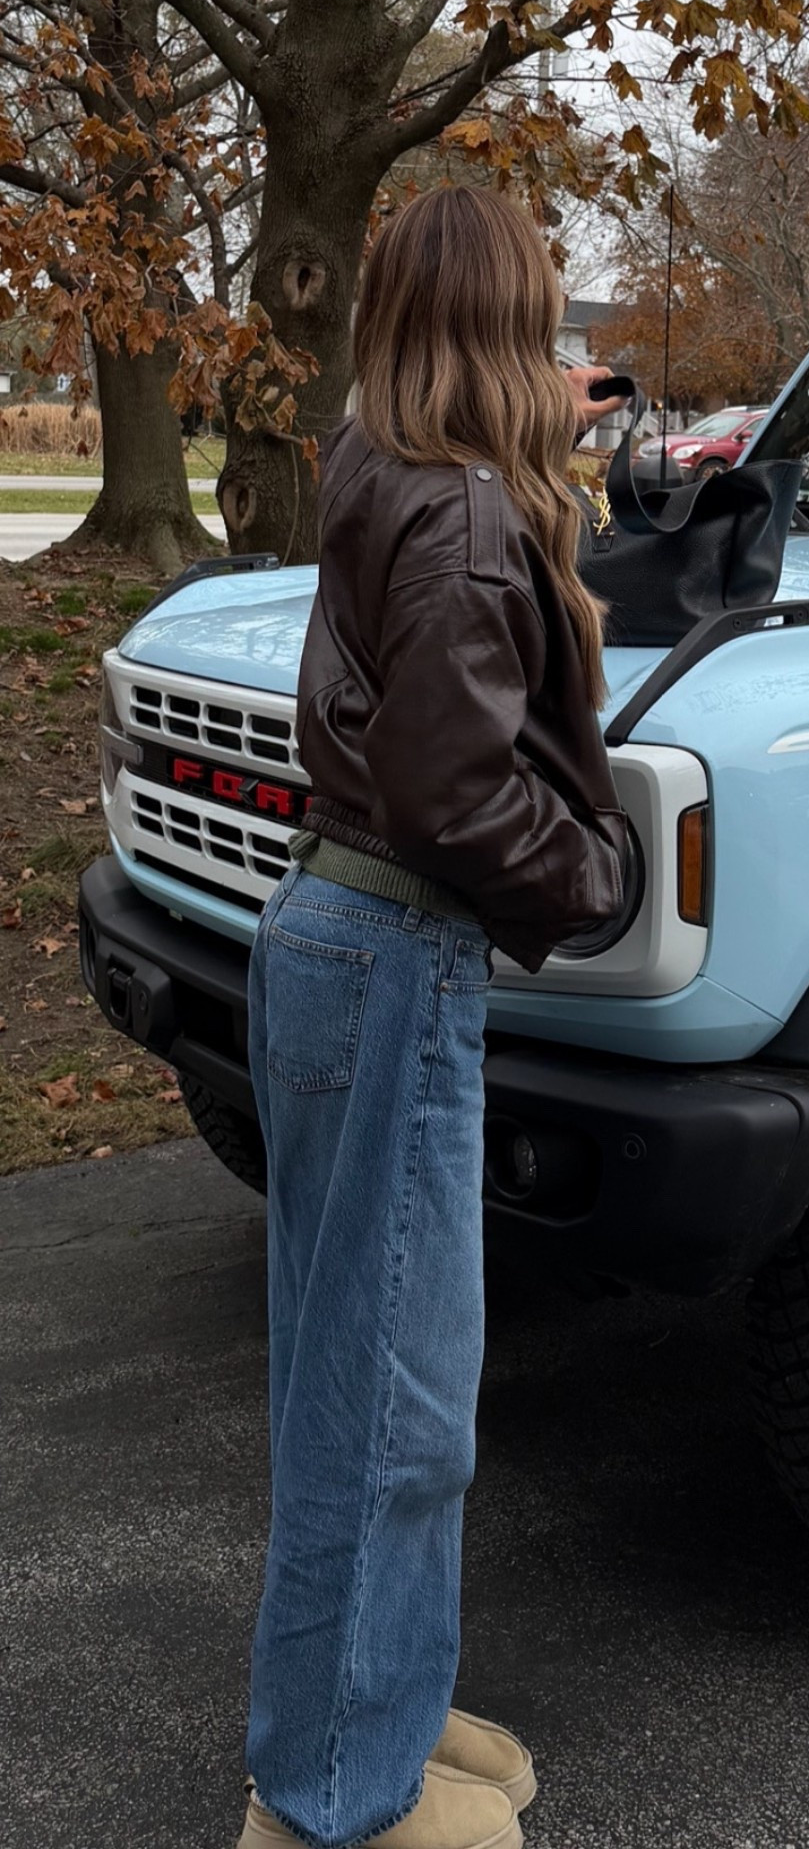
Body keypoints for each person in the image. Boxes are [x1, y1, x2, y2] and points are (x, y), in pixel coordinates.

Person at [236, 186, 629, 1849]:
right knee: (396, 1403)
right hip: (396, 949)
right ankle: (335, 1799)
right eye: (544, 320)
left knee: (350, 1378)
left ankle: (367, 1706)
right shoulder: (467, 517)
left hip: (322, 933)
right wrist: (593, 882)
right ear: (502, 326)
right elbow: (459, 799)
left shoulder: (374, 468)